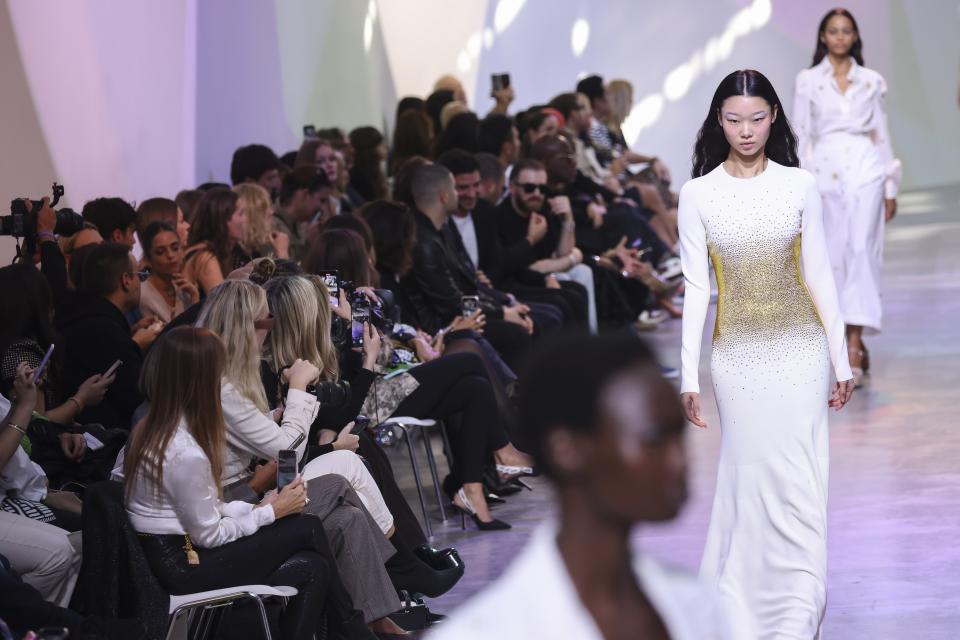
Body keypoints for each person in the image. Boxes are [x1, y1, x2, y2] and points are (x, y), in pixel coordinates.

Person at [679, 69, 855, 638]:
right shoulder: (698, 194)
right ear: (718, 121)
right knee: (749, 478)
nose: (746, 130)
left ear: (774, 116)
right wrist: (689, 375)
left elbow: (820, 276)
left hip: (802, 352)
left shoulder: (799, 185)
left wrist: (842, 358)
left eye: (756, 118)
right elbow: (697, 288)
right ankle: (746, 605)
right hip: (737, 360)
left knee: (802, 480)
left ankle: (801, 603)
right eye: (733, 119)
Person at [429, 334, 745, 639]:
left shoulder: (696, 603)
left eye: (679, 436)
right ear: (568, 450)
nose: (680, 461)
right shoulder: (490, 631)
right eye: (654, 439)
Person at [123, 326, 375, 639]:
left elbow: (202, 509)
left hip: (176, 552)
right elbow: (208, 535)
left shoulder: (153, 427)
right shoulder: (183, 449)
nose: (226, 382)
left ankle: (353, 630)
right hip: (184, 565)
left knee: (313, 566)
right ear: (203, 381)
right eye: (221, 373)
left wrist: (258, 507)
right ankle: (356, 631)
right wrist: (271, 513)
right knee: (306, 528)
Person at [793, 8, 901, 385]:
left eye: (846, 31)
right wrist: (799, 187)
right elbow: (802, 134)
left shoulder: (872, 81)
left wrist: (890, 185)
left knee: (861, 251)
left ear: (855, 37)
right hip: (823, 171)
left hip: (865, 168)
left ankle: (854, 341)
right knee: (832, 255)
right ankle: (841, 335)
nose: (840, 37)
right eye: (833, 31)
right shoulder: (807, 80)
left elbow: (881, 134)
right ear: (823, 36)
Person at [57, 242, 157, 430]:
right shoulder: (105, 330)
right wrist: (133, 346)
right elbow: (137, 396)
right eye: (140, 276)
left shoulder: (78, 314)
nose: (140, 284)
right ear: (126, 280)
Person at [181, 187, 247, 295]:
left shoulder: (212, 252)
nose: (245, 219)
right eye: (240, 214)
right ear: (223, 218)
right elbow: (223, 307)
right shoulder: (205, 257)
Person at [138, 222, 198, 323]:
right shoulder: (142, 295)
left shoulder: (184, 289)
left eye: (175, 248)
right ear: (148, 259)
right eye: (160, 252)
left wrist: (195, 296)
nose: (170, 255)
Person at [273, 167, 333, 262]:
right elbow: (282, 271)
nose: (322, 208)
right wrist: (308, 245)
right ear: (305, 194)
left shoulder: (298, 224)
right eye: (321, 200)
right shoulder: (271, 226)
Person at [234, 182, 289, 262]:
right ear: (251, 215)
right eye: (264, 209)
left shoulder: (253, 251)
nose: (271, 212)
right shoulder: (238, 255)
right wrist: (282, 254)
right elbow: (286, 275)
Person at [348, 127, 389, 202]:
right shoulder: (358, 177)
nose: (385, 146)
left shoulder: (375, 172)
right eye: (380, 144)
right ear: (370, 149)